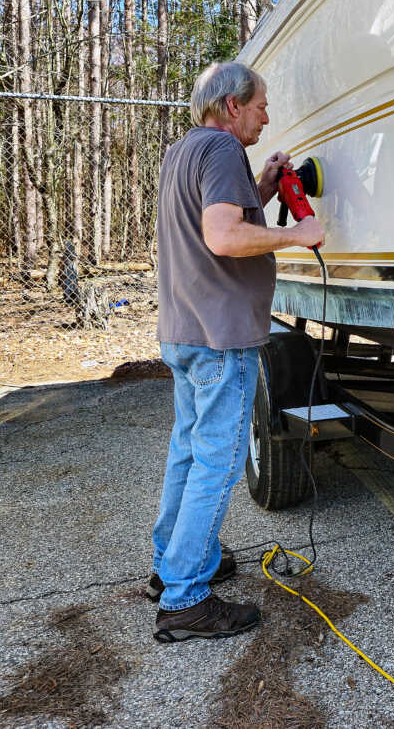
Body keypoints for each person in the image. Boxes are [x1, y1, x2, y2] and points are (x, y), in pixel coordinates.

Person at [148, 62, 325, 643]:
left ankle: (171, 565)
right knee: (219, 462)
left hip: (184, 331)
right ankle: (185, 600)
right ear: (231, 107)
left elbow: (217, 220)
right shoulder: (223, 153)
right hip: (222, 337)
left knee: (187, 453)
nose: (267, 116)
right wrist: (297, 235)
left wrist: (266, 188)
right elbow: (224, 236)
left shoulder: (184, 151)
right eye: (260, 106)